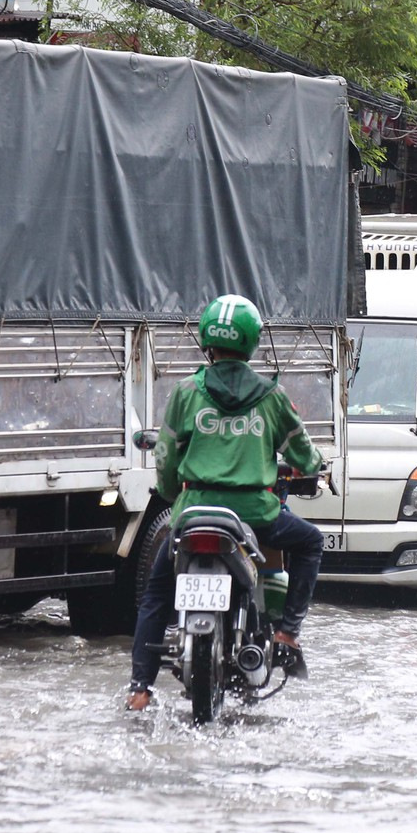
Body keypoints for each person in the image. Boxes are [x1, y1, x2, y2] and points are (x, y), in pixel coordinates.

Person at [127, 295, 326, 711]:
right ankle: (287, 633)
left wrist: (172, 494)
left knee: (156, 594)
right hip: (256, 516)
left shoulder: (186, 392)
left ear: (206, 342)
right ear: (251, 343)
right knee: (310, 542)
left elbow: (165, 458)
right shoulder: (272, 396)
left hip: (193, 513)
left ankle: (141, 690)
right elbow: (303, 455)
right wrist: (315, 466)